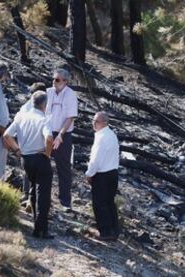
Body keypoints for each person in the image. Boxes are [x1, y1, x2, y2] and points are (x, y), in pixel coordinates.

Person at [4, 91, 54, 239]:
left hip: (25, 158)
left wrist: (17, 149)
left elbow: (7, 135)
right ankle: (41, 230)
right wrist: (48, 154)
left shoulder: (21, 117)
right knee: (43, 194)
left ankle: (35, 224)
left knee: (33, 189)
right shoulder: (44, 119)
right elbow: (49, 138)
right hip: (40, 157)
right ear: (44, 105)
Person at [46, 68, 78, 212]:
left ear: (65, 81)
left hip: (63, 135)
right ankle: (34, 195)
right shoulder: (48, 92)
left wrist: (61, 135)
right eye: (53, 79)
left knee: (63, 168)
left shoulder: (71, 95)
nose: (54, 82)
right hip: (47, 133)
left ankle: (65, 200)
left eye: (57, 80)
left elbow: (70, 117)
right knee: (41, 162)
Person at [86, 112, 120, 241]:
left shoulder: (101, 137)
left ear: (104, 122)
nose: (94, 124)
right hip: (113, 173)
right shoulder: (112, 135)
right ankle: (114, 231)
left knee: (100, 204)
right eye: (93, 121)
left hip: (103, 174)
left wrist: (89, 174)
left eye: (97, 121)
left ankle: (105, 232)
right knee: (109, 203)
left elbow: (95, 160)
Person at [17, 82, 47, 204]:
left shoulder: (25, 107)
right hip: (39, 146)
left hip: (25, 144)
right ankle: (32, 197)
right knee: (39, 174)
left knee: (27, 171)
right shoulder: (43, 108)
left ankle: (26, 195)